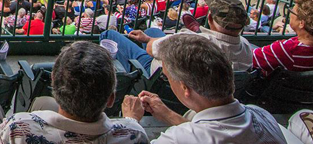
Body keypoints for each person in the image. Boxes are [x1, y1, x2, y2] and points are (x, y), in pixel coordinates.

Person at [0, 41, 149, 143]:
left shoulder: (18, 129)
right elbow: (130, 130)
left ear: (54, 85)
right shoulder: (135, 134)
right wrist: (131, 120)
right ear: (110, 100)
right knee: (43, 103)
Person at [121, 34, 285, 144]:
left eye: (167, 77)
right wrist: (168, 115)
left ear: (185, 87)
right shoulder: (263, 116)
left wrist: (131, 123)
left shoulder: (176, 140)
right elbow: (210, 131)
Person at [100, 0, 254, 74]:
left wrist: (149, 41)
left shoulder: (194, 41)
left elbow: (151, 49)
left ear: (210, 19)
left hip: (160, 72)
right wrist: (147, 38)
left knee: (109, 35)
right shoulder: (246, 47)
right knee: (152, 31)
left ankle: (126, 76)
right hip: (192, 74)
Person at [253, 0, 313, 75]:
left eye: (292, 11)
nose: (290, 14)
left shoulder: (287, 49)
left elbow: (249, 58)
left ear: (301, 23)